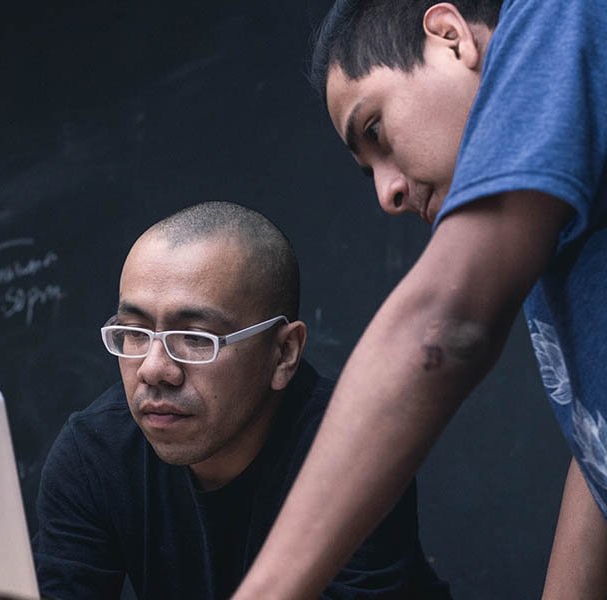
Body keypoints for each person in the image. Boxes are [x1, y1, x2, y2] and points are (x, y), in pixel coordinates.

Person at [231, 1, 607, 598]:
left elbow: (444, 327)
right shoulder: (554, 228)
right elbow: (597, 442)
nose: (388, 193)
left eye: (375, 132)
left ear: (449, 36)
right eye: (368, 170)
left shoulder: (560, 15)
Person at [33, 201, 451, 599]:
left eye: (196, 338)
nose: (154, 369)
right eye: (134, 333)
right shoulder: (95, 454)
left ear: (284, 352)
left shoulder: (353, 453)